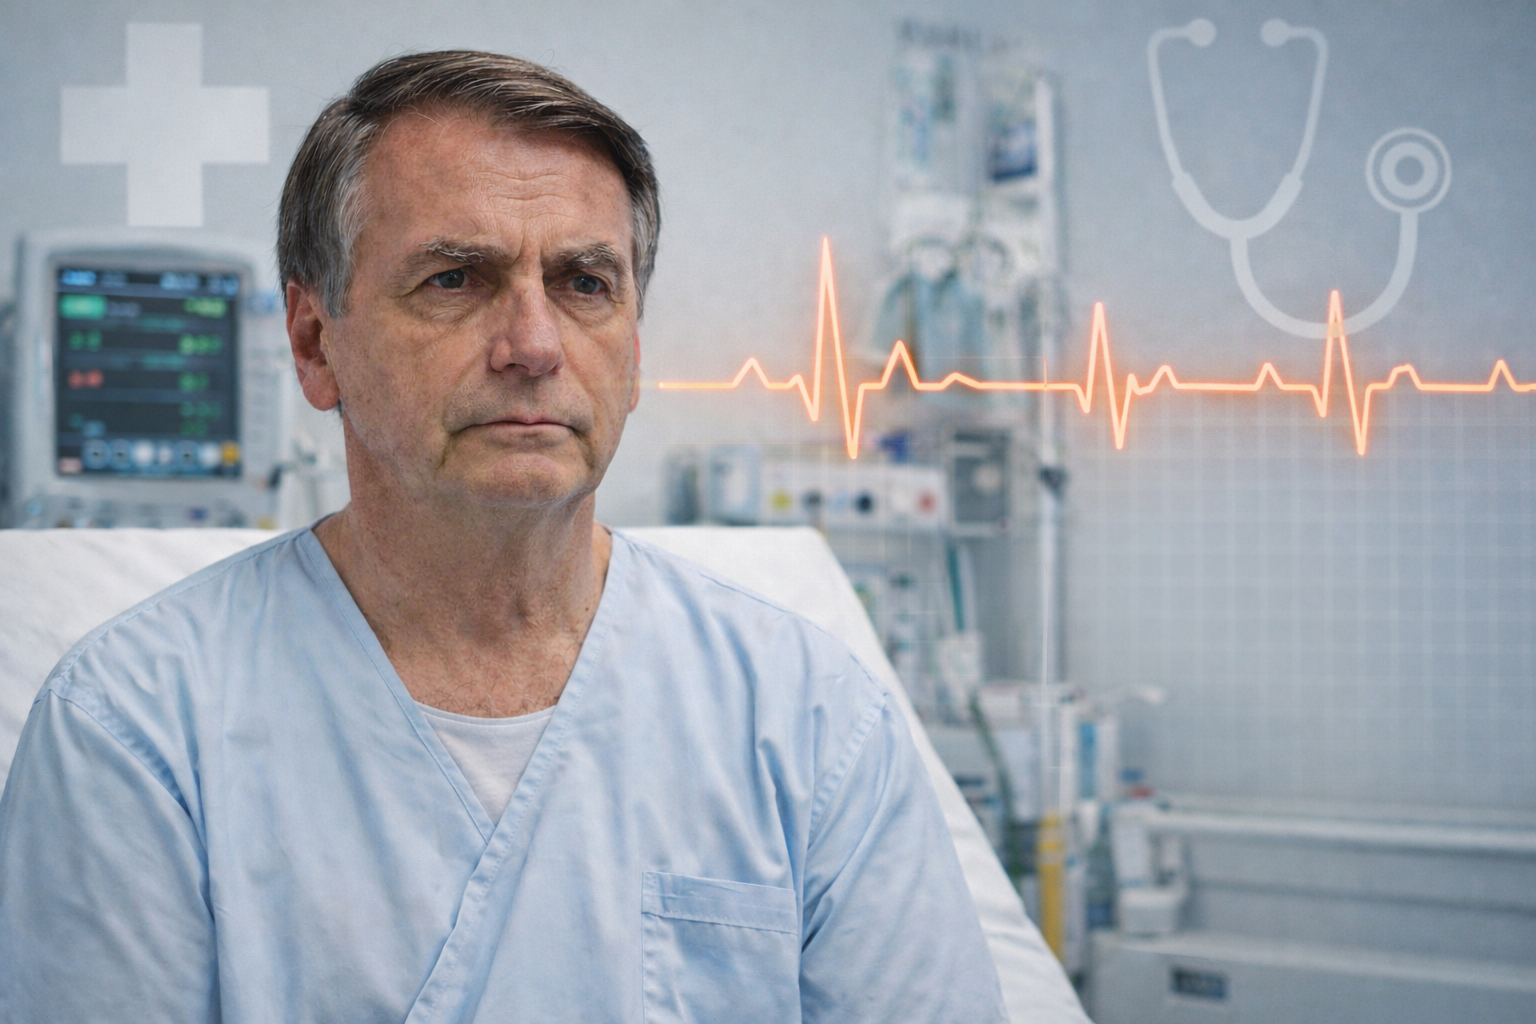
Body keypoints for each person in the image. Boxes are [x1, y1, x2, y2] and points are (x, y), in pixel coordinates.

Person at [0, 51, 1007, 1022]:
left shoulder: (811, 722)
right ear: (316, 344)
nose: (533, 345)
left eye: (584, 283)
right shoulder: (134, 732)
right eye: (454, 279)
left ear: (634, 345)